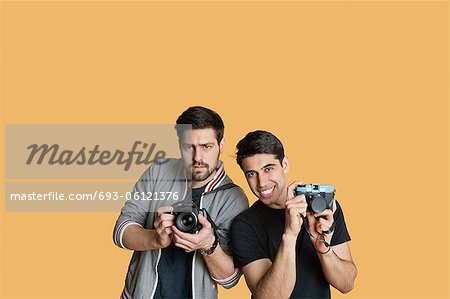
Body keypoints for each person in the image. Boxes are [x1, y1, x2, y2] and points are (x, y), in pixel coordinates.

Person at [113, 106, 248, 299]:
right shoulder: (158, 171)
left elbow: (229, 279)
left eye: (206, 147)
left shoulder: (233, 198)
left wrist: (209, 244)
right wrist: (156, 238)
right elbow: (121, 231)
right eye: (188, 147)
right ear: (179, 145)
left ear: (222, 145)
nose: (197, 157)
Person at [231, 130, 357, 299]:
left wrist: (323, 250)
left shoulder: (322, 208)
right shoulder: (244, 225)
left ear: (285, 164)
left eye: (268, 169)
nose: (261, 182)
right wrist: (289, 235)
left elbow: (346, 284)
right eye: (252, 174)